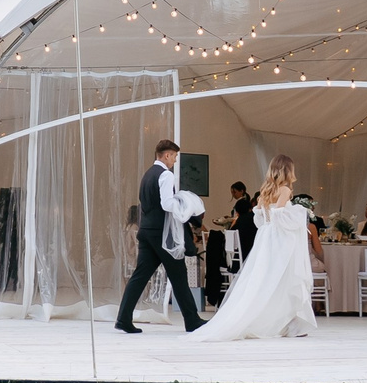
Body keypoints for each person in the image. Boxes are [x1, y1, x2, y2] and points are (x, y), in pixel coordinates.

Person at [192, 156, 318, 341]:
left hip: (266, 238)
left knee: (265, 279)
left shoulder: (266, 190)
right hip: (280, 239)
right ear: (287, 171)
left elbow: (259, 216)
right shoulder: (284, 189)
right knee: (285, 278)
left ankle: (281, 321)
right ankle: (288, 323)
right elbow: (280, 214)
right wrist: (299, 212)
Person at [115, 139, 204, 334]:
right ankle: (192, 320)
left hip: (146, 231)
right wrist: (184, 206)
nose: (174, 161)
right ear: (166, 155)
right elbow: (166, 204)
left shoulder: (147, 175)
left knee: (139, 276)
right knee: (179, 276)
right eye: (174, 156)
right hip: (161, 234)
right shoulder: (165, 175)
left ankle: (123, 318)